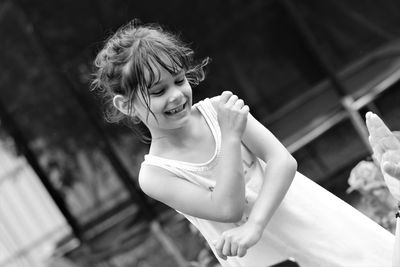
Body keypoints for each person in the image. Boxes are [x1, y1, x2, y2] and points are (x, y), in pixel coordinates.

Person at [91, 20, 394, 267]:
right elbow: (228, 207)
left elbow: (283, 161)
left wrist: (255, 224)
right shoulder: (156, 175)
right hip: (267, 260)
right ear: (126, 105)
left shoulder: (221, 111)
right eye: (158, 91)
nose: (177, 95)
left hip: (315, 224)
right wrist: (231, 139)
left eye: (179, 80)